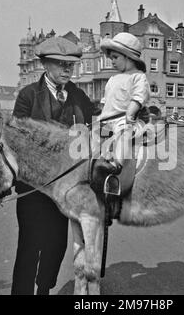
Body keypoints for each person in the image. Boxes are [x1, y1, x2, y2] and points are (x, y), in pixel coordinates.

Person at [11, 36, 95, 295]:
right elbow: (19, 141)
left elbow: (89, 134)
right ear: (46, 65)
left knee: (56, 245)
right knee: (29, 245)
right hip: (33, 188)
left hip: (65, 189)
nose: (67, 69)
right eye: (60, 64)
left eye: (71, 64)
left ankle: (44, 289)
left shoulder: (80, 97)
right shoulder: (28, 96)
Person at [97, 32, 150, 170]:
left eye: (115, 57)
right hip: (107, 119)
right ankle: (93, 161)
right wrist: (99, 116)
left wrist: (130, 113)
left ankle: (116, 163)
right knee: (90, 134)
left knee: (124, 134)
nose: (112, 61)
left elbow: (138, 97)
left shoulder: (138, 77)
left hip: (124, 119)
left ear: (128, 57)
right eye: (111, 57)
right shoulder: (112, 79)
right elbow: (106, 101)